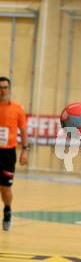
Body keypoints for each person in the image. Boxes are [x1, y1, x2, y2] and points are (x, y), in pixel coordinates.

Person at [0, 76, 29, 231]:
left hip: (8, 154)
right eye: (0, 88)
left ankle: (8, 209)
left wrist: (25, 150)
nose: (3, 90)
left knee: (5, 188)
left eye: (5, 87)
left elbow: (23, 130)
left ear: (9, 89)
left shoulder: (17, 108)